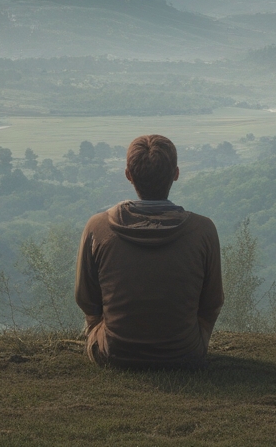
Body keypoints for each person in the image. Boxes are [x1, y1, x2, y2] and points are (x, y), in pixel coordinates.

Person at [74, 134, 224, 368]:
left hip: (113, 353)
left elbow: (86, 298)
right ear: (176, 174)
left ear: (128, 175)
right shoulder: (203, 230)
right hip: (185, 354)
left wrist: (105, 333)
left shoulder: (98, 227)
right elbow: (212, 302)